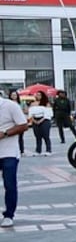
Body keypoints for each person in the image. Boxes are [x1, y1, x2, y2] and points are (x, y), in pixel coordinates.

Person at [1, 92, 29, 227]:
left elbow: (24, 125)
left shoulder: (10, 106)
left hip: (9, 152)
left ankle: (9, 215)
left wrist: (5, 133)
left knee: (9, 184)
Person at [28, 91, 53, 156]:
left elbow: (48, 114)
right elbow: (30, 114)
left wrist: (41, 120)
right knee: (37, 136)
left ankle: (48, 150)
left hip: (44, 120)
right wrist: (34, 120)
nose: (38, 96)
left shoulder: (46, 104)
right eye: (37, 95)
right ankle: (38, 150)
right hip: (35, 120)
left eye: (39, 95)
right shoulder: (32, 104)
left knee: (46, 136)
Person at [7, 91, 28, 156]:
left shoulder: (21, 103)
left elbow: (26, 111)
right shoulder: (7, 103)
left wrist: (18, 111)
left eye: (15, 95)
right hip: (10, 123)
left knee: (20, 137)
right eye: (12, 95)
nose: (14, 96)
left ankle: (22, 151)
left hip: (19, 122)